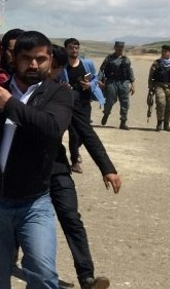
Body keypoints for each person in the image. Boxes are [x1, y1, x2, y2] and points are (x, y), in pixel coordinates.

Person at [0, 30, 72, 289]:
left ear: (50, 60)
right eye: (26, 58)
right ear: (13, 59)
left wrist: (9, 103)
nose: (34, 64)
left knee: (43, 274)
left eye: (41, 59)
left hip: (34, 203)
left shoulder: (58, 94)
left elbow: (51, 128)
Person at [51, 45, 120, 289]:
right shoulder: (19, 92)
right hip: (24, 172)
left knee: (71, 218)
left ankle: (87, 278)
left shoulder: (64, 96)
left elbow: (86, 132)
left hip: (57, 168)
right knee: (21, 222)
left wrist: (107, 167)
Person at [62, 38, 105, 173]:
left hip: (84, 103)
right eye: (71, 48)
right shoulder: (62, 66)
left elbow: (96, 78)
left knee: (83, 132)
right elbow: (54, 79)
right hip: (68, 104)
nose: (74, 50)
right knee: (74, 133)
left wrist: (90, 84)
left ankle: (75, 151)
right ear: (66, 49)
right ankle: (75, 161)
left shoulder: (87, 63)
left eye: (76, 48)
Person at [98, 41, 135, 130]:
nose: (120, 48)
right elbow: (102, 70)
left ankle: (123, 122)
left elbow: (130, 72)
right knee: (110, 101)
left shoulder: (126, 59)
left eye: (121, 47)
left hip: (124, 83)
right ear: (114, 47)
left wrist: (133, 84)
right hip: (111, 82)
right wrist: (99, 80)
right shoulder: (109, 58)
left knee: (125, 103)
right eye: (118, 47)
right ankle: (106, 113)